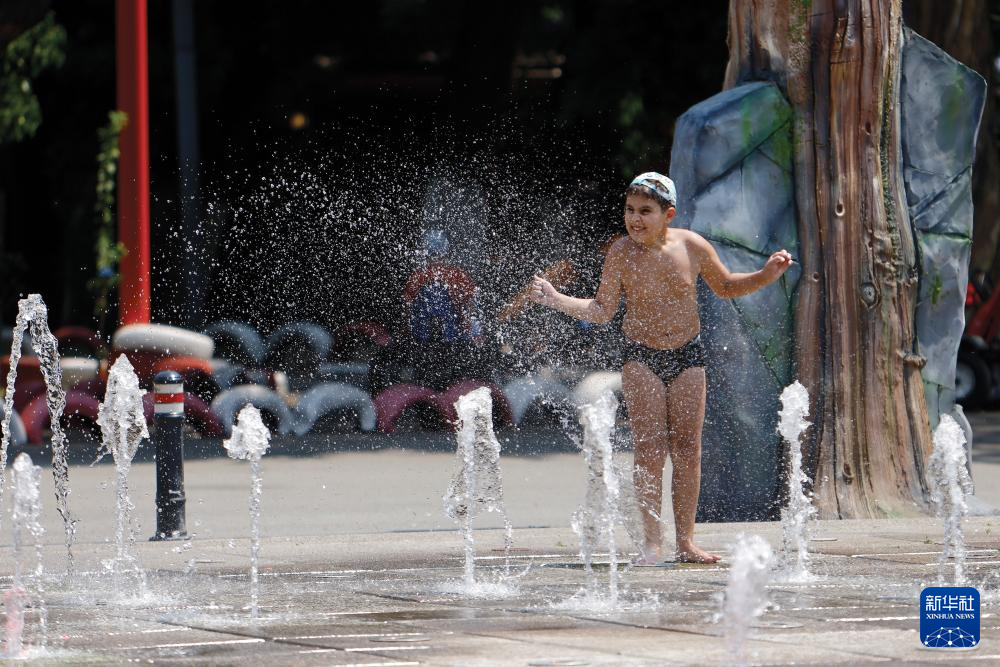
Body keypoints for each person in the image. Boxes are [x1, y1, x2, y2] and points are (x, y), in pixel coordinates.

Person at [528, 172, 793, 564]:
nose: (635, 218)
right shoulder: (620, 252)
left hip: (688, 356)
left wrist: (764, 275)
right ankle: (653, 541)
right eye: (630, 210)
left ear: (669, 214)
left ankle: (685, 542)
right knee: (650, 450)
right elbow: (602, 310)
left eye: (645, 211)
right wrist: (557, 299)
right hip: (642, 357)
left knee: (688, 450)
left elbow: (726, 287)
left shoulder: (692, 247)